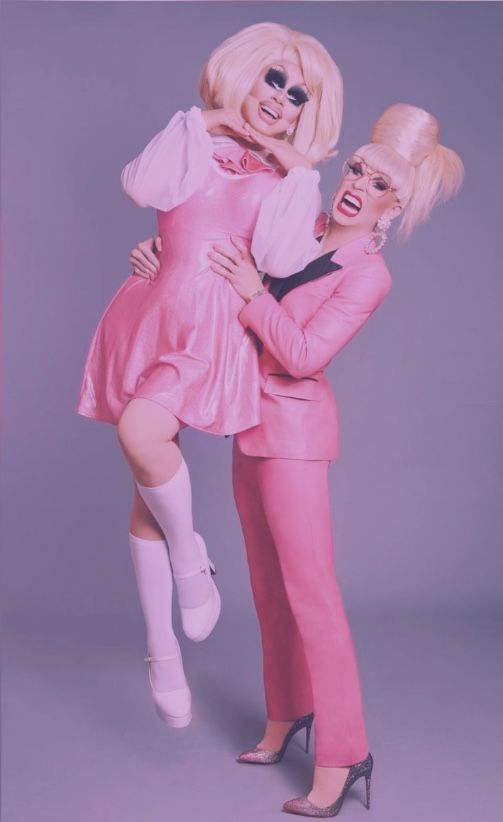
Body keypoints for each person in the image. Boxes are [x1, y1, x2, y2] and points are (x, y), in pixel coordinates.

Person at [131, 103, 463, 816]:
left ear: (391, 206)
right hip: (245, 420)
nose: (356, 185)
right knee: (266, 588)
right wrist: (160, 257)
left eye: (376, 184)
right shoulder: (296, 222)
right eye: (355, 169)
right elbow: (213, 256)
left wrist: (253, 292)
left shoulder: (367, 275)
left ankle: (345, 754)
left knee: (313, 597)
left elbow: (305, 357)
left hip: (295, 437)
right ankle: (286, 715)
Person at [77, 22, 343, 728]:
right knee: (145, 484)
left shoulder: (289, 181)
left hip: (214, 329)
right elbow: (144, 185)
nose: (278, 100)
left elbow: (284, 261)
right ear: (246, 75)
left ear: (304, 113)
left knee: (141, 433)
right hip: (151, 310)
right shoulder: (194, 138)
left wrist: (296, 167)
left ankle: (193, 560)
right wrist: (209, 119)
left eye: (296, 95)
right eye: (272, 80)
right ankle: (162, 651)